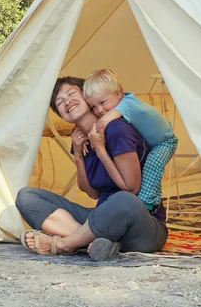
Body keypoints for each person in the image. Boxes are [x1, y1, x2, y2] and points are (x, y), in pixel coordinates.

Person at [15, 76, 168, 261]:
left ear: (87, 96)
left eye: (71, 93)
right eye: (60, 102)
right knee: (27, 197)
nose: (67, 101)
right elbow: (93, 192)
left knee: (123, 199)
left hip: (142, 224)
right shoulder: (79, 139)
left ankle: (65, 244)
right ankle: (94, 241)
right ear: (61, 115)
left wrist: (100, 148)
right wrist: (78, 155)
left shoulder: (116, 129)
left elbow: (132, 188)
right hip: (100, 217)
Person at [83, 68, 178, 211]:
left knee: (152, 165)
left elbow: (102, 123)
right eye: (93, 107)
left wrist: (89, 134)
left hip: (165, 142)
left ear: (119, 93)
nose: (99, 110)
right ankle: (151, 199)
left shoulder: (128, 104)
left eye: (102, 102)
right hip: (152, 142)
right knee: (147, 172)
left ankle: (147, 205)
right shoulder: (121, 104)